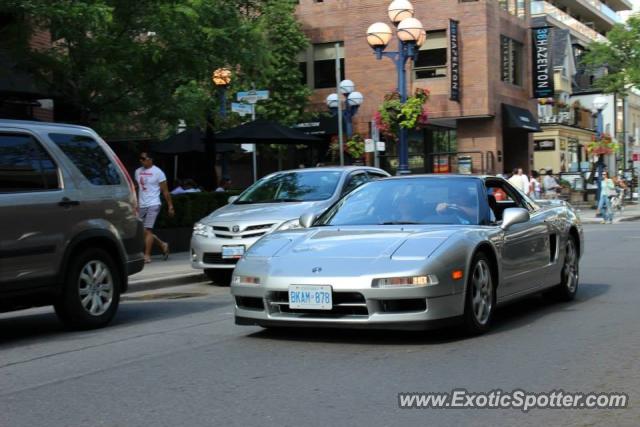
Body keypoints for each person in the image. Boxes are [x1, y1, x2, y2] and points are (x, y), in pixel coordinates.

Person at [135, 152, 174, 263]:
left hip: (154, 203)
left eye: (147, 158)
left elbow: (165, 191)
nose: (145, 160)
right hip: (141, 204)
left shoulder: (158, 172)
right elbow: (137, 186)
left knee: (148, 229)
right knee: (142, 231)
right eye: (142, 159)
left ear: (150, 159)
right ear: (141, 161)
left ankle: (147, 256)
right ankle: (162, 244)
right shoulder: (137, 172)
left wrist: (170, 206)